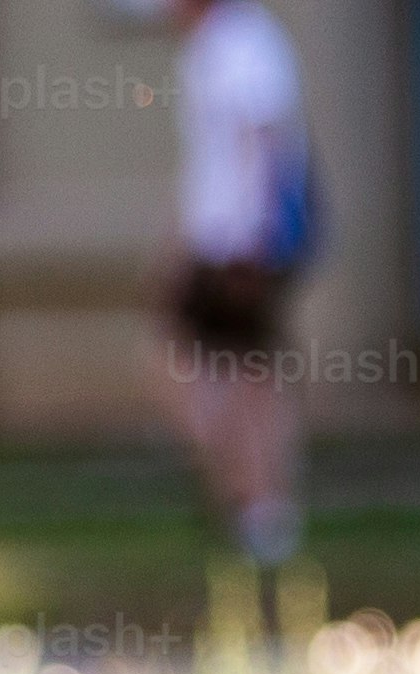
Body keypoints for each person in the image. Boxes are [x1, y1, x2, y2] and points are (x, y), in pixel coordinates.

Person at [165, 0, 314, 571]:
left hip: (240, 244)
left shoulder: (243, 40)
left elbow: (265, 140)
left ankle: (262, 503)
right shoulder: (210, 45)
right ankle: (243, 496)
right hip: (215, 240)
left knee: (246, 373)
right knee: (224, 367)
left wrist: (254, 237)